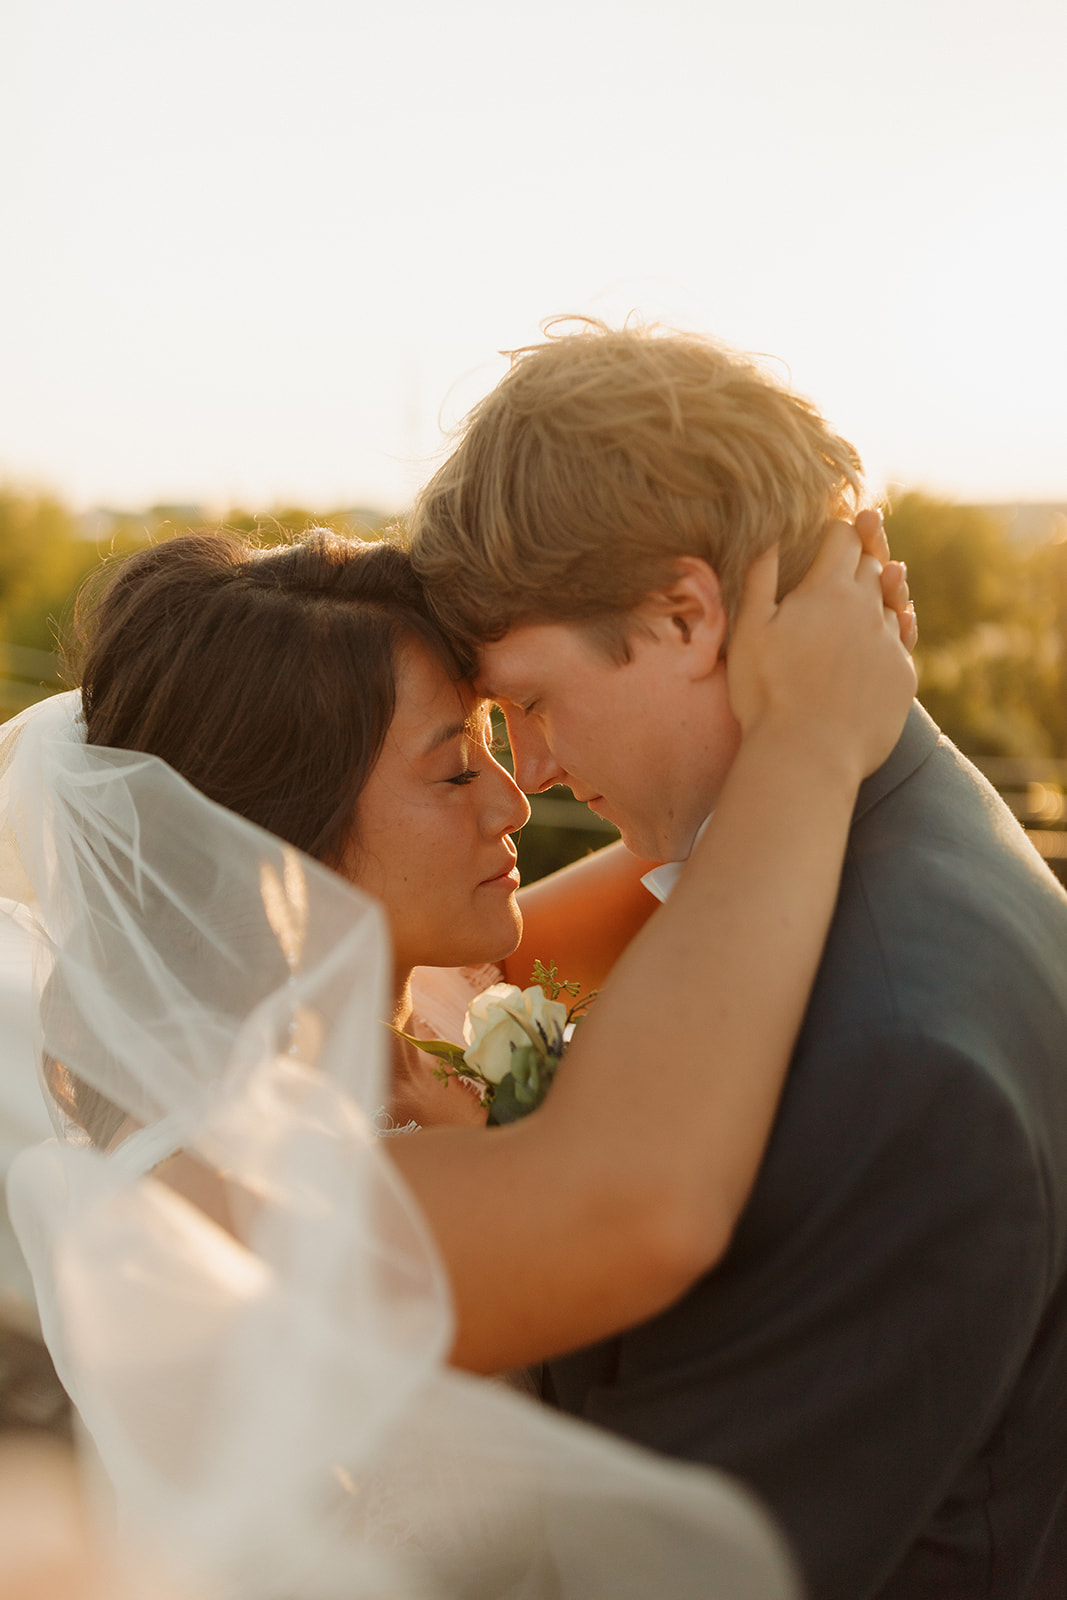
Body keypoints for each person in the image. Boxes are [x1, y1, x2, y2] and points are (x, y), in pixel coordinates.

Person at [1, 519, 912, 1598]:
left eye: (492, 742)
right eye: (451, 774)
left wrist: (778, 675)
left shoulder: (423, 993)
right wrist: (808, 736)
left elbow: (702, 861)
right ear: (281, 836)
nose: (513, 801)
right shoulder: (209, 1197)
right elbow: (644, 1206)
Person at [408, 319, 1067, 1600]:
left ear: (682, 614)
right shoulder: (853, 845)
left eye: (529, 704)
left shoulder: (893, 1052)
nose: (525, 771)